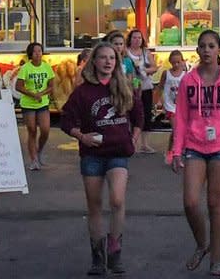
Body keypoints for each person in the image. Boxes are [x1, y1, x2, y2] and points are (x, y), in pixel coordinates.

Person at [170, 30, 220, 277]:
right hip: (194, 145)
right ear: (197, 51)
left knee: (215, 202)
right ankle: (202, 243)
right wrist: (176, 151)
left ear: (219, 50)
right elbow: (181, 118)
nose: (206, 50)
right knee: (191, 201)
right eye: (202, 46)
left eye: (211, 46)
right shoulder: (187, 81)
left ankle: (216, 260)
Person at [61, 40, 142, 276]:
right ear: (94, 62)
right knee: (94, 206)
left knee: (117, 200)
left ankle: (114, 248)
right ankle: (98, 256)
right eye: (103, 57)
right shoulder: (83, 92)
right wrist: (81, 136)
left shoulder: (123, 87)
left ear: (116, 63)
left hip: (118, 152)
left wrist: (134, 138)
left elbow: (139, 115)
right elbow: (66, 120)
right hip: (92, 154)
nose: (108, 62)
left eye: (112, 58)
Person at [14, 42, 54, 170]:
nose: (38, 53)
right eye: (35, 51)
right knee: (32, 130)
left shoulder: (47, 67)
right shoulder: (25, 68)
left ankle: (39, 150)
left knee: (45, 129)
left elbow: (51, 86)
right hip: (28, 103)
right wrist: (31, 94)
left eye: (40, 51)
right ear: (30, 54)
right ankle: (33, 159)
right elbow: (18, 86)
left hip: (42, 103)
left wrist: (41, 93)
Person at [126, 29, 157, 154]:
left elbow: (154, 67)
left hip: (145, 86)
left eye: (139, 38)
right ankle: (133, 142)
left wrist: (145, 70)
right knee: (131, 114)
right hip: (130, 87)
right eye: (134, 38)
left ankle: (145, 143)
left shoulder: (145, 53)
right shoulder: (126, 52)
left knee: (146, 114)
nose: (137, 40)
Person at [160, 49, 187, 158]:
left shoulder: (185, 74)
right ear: (170, 62)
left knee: (178, 129)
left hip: (182, 106)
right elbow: (160, 87)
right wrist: (158, 101)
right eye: (173, 62)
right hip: (170, 105)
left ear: (182, 61)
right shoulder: (166, 73)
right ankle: (178, 153)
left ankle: (170, 151)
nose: (176, 65)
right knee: (176, 130)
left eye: (178, 62)